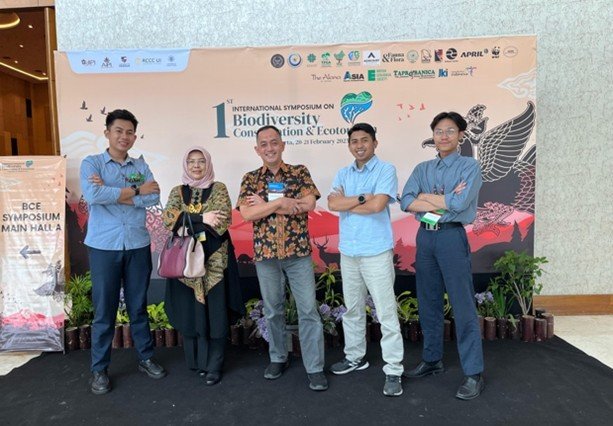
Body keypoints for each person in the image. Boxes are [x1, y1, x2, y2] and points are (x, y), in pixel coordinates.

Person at [80, 109, 166, 395]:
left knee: (138, 306)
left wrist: (113, 193)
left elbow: (154, 197)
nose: (124, 136)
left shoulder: (140, 165)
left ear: (135, 136)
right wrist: (137, 191)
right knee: (104, 311)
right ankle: (99, 369)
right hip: (104, 247)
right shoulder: (92, 163)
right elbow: (93, 195)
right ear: (107, 133)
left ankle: (146, 358)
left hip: (137, 244)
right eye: (119, 130)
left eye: (129, 132)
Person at [400, 111, 484, 400]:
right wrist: (444, 199)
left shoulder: (470, 166)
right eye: (438, 131)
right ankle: (432, 359)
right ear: (433, 136)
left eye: (450, 130)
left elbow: (460, 204)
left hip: (451, 237)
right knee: (428, 301)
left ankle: (473, 372)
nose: (444, 136)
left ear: (461, 135)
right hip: (425, 237)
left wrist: (426, 198)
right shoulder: (423, 168)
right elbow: (406, 201)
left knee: (462, 304)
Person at [237, 125, 327, 391]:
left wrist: (265, 205)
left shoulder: (299, 172)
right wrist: (280, 203)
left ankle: (315, 367)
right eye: (264, 144)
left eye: (274, 142)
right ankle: (278, 357)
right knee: (273, 310)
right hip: (266, 256)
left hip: (297, 254)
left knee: (308, 310)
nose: (269, 148)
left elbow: (309, 204)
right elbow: (247, 214)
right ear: (257, 149)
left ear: (283, 145)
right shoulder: (250, 178)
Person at [327, 123, 405, 397]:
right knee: (352, 309)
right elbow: (332, 204)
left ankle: (393, 369)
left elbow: (377, 206)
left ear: (374, 143)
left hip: (376, 252)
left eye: (364, 140)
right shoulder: (343, 173)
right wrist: (362, 198)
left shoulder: (385, 170)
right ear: (349, 145)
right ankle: (354, 357)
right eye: (354, 141)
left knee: (386, 313)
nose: (359, 145)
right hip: (349, 252)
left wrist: (349, 204)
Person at [161, 146, 243, 385]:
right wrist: (202, 218)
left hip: (215, 259)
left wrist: (186, 221)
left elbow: (222, 220)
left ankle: (215, 364)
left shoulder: (219, 188)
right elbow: (168, 219)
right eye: (191, 162)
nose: (196, 166)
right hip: (185, 261)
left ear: (208, 164)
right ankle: (196, 361)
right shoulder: (177, 191)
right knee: (190, 309)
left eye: (201, 161)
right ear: (185, 165)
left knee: (216, 310)